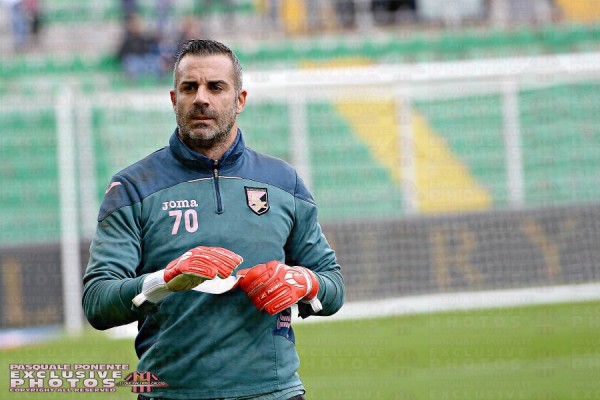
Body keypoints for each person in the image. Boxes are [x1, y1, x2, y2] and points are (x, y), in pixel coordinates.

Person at [82, 39, 345, 400]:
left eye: (216, 87)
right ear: (174, 99)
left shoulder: (284, 182)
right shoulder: (132, 187)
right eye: (189, 87)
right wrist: (164, 281)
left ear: (240, 100)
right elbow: (98, 300)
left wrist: (303, 282)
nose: (201, 98)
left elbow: (333, 284)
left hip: (274, 393)